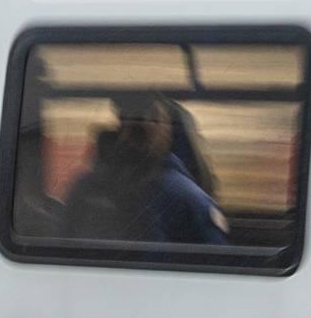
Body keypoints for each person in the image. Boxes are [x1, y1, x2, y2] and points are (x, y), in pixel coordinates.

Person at [63, 93, 225, 246]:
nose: (143, 124)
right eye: (134, 118)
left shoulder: (85, 188)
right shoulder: (186, 196)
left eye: (153, 118)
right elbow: (217, 258)